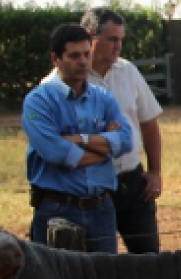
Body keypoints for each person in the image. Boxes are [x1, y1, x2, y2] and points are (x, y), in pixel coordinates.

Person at [42, 8, 164, 253]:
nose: (118, 47)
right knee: (99, 264)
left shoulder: (128, 71)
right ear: (90, 36)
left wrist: (154, 171)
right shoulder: (56, 86)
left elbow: (149, 122)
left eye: (120, 39)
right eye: (111, 39)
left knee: (149, 258)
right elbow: (56, 146)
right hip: (90, 188)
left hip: (133, 183)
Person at [23, 24, 133, 253]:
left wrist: (80, 139)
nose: (83, 62)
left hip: (101, 208)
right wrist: (105, 147)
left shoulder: (103, 98)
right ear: (56, 59)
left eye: (86, 54)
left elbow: (126, 141)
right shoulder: (38, 101)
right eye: (74, 56)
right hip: (58, 209)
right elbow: (55, 152)